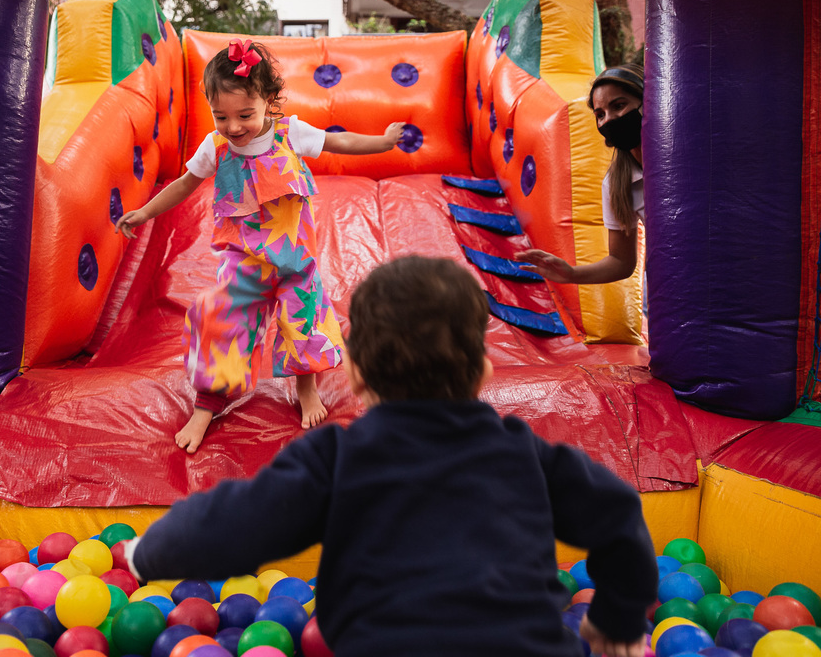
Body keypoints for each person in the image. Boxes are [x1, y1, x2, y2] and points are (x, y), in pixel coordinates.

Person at [122, 255, 658, 657]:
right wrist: (618, 619)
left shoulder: (338, 458)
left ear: (353, 373)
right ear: (484, 372)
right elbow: (616, 513)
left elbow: (236, 522)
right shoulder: (526, 454)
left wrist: (150, 551)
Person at [116, 39, 403, 453]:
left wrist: (382, 142)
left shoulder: (291, 134)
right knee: (223, 322)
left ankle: (306, 388)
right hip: (244, 259)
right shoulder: (215, 148)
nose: (233, 127)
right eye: (221, 116)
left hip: (294, 259)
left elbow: (339, 143)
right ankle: (207, 404)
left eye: (244, 115)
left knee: (303, 322)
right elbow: (184, 184)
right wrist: (145, 212)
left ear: (269, 100)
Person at [515, 64, 645, 284]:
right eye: (600, 114)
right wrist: (572, 274)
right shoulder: (617, 183)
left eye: (619, 106)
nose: (610, 119)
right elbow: (621, 261)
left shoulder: (688, 154)